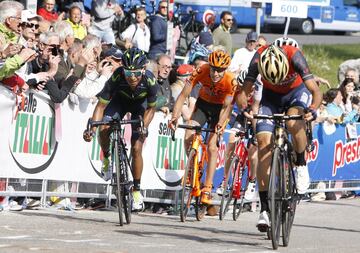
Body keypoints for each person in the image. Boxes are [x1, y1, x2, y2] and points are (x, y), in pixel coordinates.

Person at [236, 44, 322, 232]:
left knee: (293, 123)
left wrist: (313, 110)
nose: (278, 80)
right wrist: (245, 109)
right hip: (270, 99)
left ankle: (300, 163)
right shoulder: (257, 59)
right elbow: (243, 93)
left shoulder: (295, 57)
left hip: (297, 94)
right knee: (263, 143)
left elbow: (316, 91)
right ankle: (265, 209)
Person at [83, 48, 158, 211]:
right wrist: (92, 129)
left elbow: (151, 109)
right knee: (104, 127)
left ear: (143, 70)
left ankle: (137, 191)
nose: (132, 78)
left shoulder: (151, 81)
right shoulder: (117, 76)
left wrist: (144, 126)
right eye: (128, 73)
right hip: (119, 102)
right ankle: (107, 158)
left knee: (137, 148)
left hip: (140, 107)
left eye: (136, 74)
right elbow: (101, 105)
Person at [169, 50, 236, 205]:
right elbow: (182, 96)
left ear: (225, 70)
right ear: (209, 66)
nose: (216, 73)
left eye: (220, 70)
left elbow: (228, 107)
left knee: (212, 146)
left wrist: (220, 124)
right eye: (214, 69)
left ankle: (207, 188)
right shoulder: (201, 70)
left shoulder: (231, 81)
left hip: (220, 109)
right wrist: (174, 116)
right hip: (203, 105)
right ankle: (192, 168)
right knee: (188, 133)